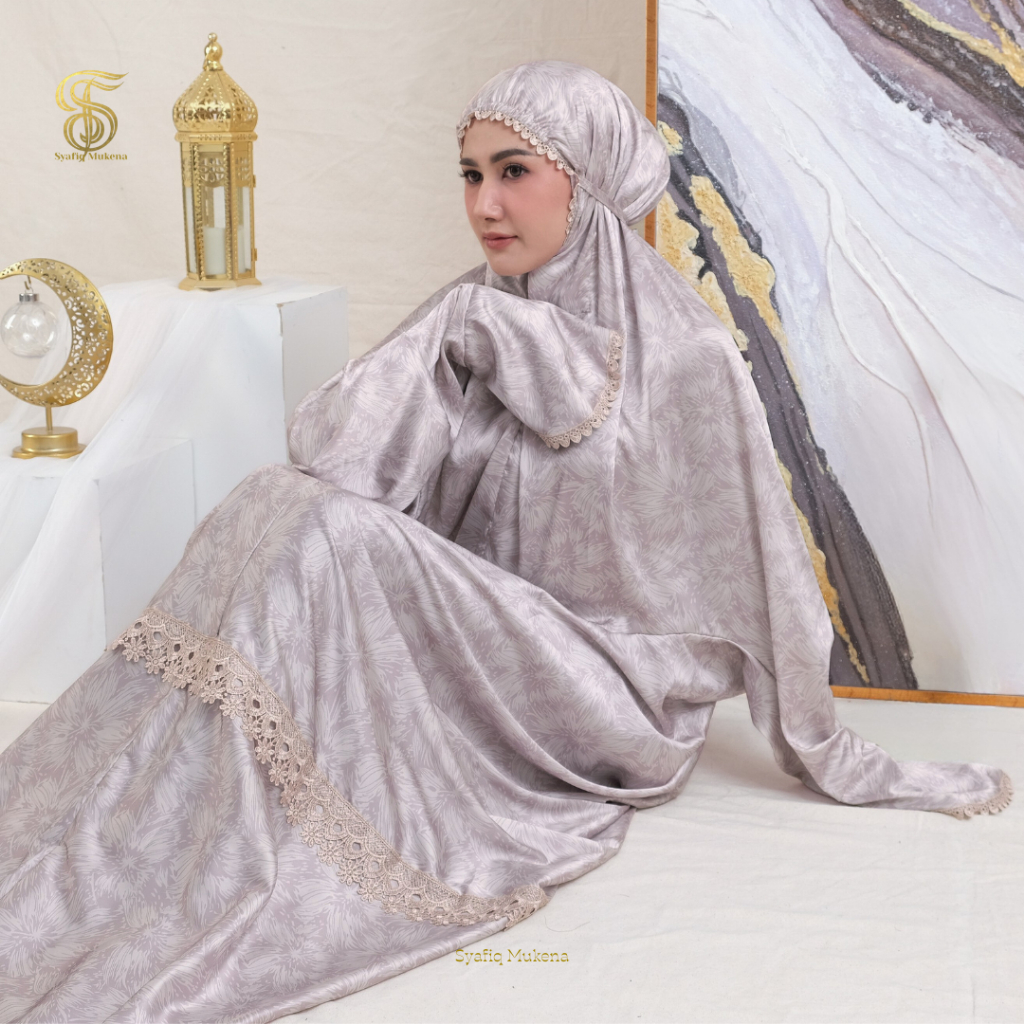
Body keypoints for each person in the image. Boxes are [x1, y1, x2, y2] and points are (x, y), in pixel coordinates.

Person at [0, 61, 1010, 1024]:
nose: (485, 204)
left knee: (314, 524)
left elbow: (770, 580)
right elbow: (341, 465)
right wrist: (457, 336)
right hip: (477, 652)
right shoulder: (472, 310)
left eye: (515, 172)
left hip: (605, 694)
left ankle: (191, 843)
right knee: (280, 501)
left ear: (589, 182)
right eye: (471, 174)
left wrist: (832, 750)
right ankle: (147, 823)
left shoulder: (690, 360)